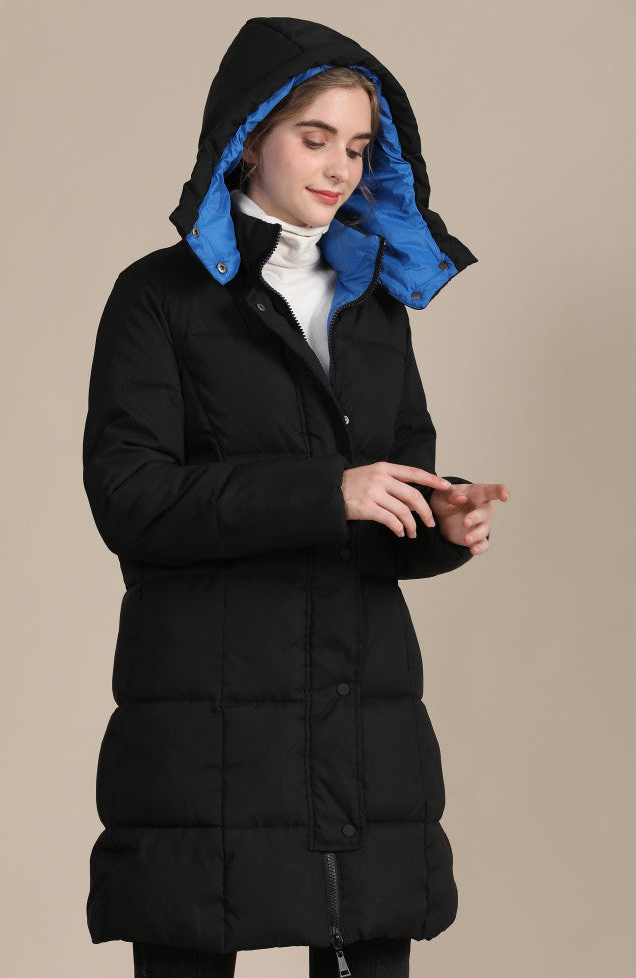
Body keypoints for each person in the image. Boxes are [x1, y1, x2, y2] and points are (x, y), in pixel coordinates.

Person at [82, 16, 509, 978]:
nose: (340, 168)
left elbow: (387, 494)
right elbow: (131, 498)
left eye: (357, 148)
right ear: (248, 139)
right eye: (315, 139)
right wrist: (328, 491)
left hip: (359, 718)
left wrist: (440, 520)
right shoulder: (157, 297)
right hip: (208, 720)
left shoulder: (376, 304)